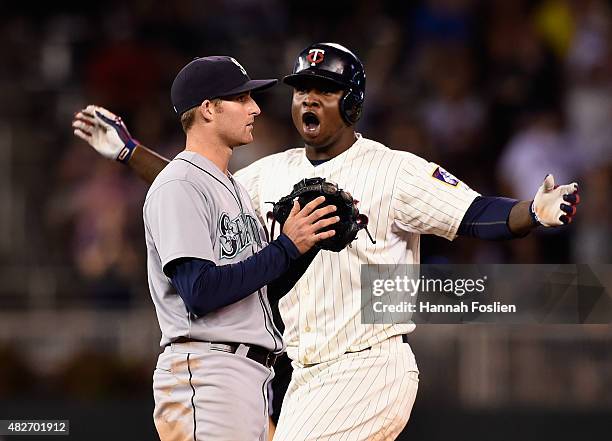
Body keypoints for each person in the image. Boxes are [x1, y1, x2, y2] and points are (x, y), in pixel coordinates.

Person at [73, 43, 580, 440]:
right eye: (301, 90)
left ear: (353, 102)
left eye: (325, 89)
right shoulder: (269, 175)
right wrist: (130, 153)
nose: (308, 98)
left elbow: (472, 213)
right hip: (302, 377)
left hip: (369, 363)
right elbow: (193, 189)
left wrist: (530, 213)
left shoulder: (393, 170)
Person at [75, 55, 341, 441]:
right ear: (208, 109)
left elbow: (258, 290)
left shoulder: (230, 188)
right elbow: (200, 291)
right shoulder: (179, 184)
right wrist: (285, 245)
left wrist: (305, 244)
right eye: (242, 98)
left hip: (244, 376)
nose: (255, 108)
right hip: (206, 373)